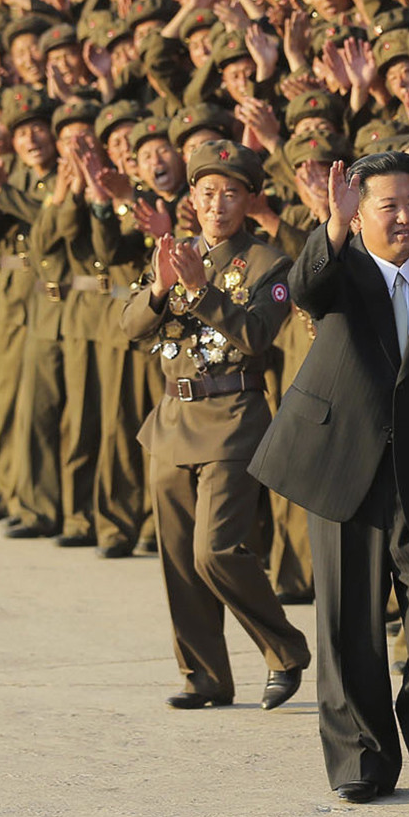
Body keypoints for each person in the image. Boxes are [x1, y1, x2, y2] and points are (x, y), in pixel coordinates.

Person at [249, 152, 409, 804]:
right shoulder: (338, 271)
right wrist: (328, 229)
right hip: (343, 469)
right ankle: (361, 758)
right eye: (389, 204)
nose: (406, 215)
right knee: (347, 624)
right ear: (358, 212)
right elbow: (303, 287)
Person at [123, 139, 310, 711]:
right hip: (173, 418)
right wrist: (160, 288)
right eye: (207, 192)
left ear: (251, 199)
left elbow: (256, 336)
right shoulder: (175, 253)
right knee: (178, 558)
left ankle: (284, 650)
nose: (218, 204)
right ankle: (204, 675)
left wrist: (201, 291)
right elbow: (131, 328)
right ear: (192, 198)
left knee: (215, 550)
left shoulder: (268, 263)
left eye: (231, 193)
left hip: (233, 418)